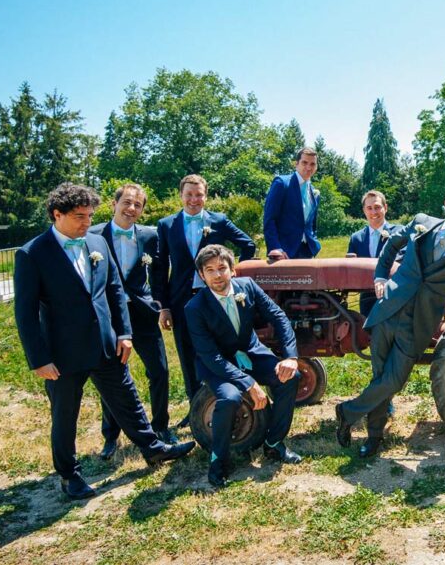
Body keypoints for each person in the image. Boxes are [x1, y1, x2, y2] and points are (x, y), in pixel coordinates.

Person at [14, 183, 195, 499]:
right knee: (65, 414)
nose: (86, 223)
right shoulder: (32, 254)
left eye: (89, 216)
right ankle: (69, 476)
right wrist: (39, 359)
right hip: (62, 352)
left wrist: (124, 333)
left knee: (127, 398)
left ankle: (153, 448)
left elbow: (113, 289)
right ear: (57, 215)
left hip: (105, 343)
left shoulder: (96, 242)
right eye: (79, 217)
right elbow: (25, 312)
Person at [335, 183, 445, 458]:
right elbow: (391, 246)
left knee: (394, 380)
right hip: (389, 310)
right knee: (380, 377)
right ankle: (374, 437)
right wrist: (380, 277)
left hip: (419, 323)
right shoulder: (421, 223)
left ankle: (346, 411)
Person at [186, 244, 302, 487]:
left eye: (222, 268)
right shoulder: (194, 308)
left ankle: (273, 444)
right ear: (201, 275)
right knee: (229, 398)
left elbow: (279, 317)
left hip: (251, 353)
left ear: (232, 270)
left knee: (291, 377)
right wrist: (249, 383)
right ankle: (219, 458)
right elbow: (210, 356)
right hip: (218, 363)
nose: (218, 275)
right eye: (210, 270)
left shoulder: (247, 286)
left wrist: (290, 356)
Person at [153, 174, 256, 420]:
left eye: (198, 194)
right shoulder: (167, 225)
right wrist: (163, 306)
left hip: (216, 298)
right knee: (188, 354)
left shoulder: (218, 221)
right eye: (189, 194)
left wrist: (233, 274)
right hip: (181, 301)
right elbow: (158, 268)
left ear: (205, 196)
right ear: (180, 195)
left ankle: (228, 402)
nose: (193, 199)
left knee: (219, 350)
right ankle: (196, 408)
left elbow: (248, 245)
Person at [90, 183, 177, 461]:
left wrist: (161, 306)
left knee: (160, 371)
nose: (131, 209)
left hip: (142, 314)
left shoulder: (151, 236)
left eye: (137, 205)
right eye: (126, 202)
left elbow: (161, 272)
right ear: (114, 204)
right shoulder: (94, 236)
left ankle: (161, 427)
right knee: (113, 377)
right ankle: (111, 436)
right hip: (110, 317)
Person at [347, 190, 402, 316]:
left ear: (385, 208)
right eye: (369, 208)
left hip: (393, 295)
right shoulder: (356, 238)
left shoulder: (399, 233)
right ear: (364, 210)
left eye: (377, 207)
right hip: (367, 298)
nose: (373, 212)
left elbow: (401, 261)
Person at [263, 147, 321, 260]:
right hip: (284, 252)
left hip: (307, 252)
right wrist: (276, 249)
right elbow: (269, 220)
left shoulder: (314, 192)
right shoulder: (281, 183)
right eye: (304, 162)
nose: (309, 167)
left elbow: (312, 224)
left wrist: (313, 242)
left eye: (312, 164)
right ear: (296, 164)